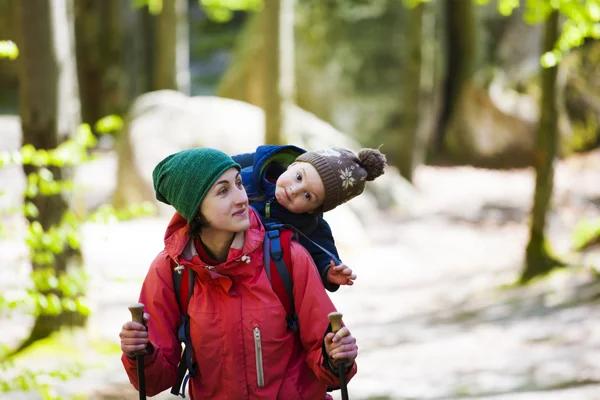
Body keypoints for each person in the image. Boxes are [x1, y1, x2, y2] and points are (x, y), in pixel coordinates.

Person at [119, 148, 358, 399]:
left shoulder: (288, 257)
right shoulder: (171, 270)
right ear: (194, 207)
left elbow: (329, 367)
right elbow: (155, 381)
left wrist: (336, 355)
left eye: (239, 184)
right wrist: (140, 353)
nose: (242, 198)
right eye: (223, 191)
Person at [232, 145, 387, 292]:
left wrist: (329, 271)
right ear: (292, 165)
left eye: (307, 196)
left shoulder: (310, 226)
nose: (294, 190)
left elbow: (323, 254)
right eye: (299, 177)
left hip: (257, 285)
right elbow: (217, 168)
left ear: (313, 210)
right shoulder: (252, 171)